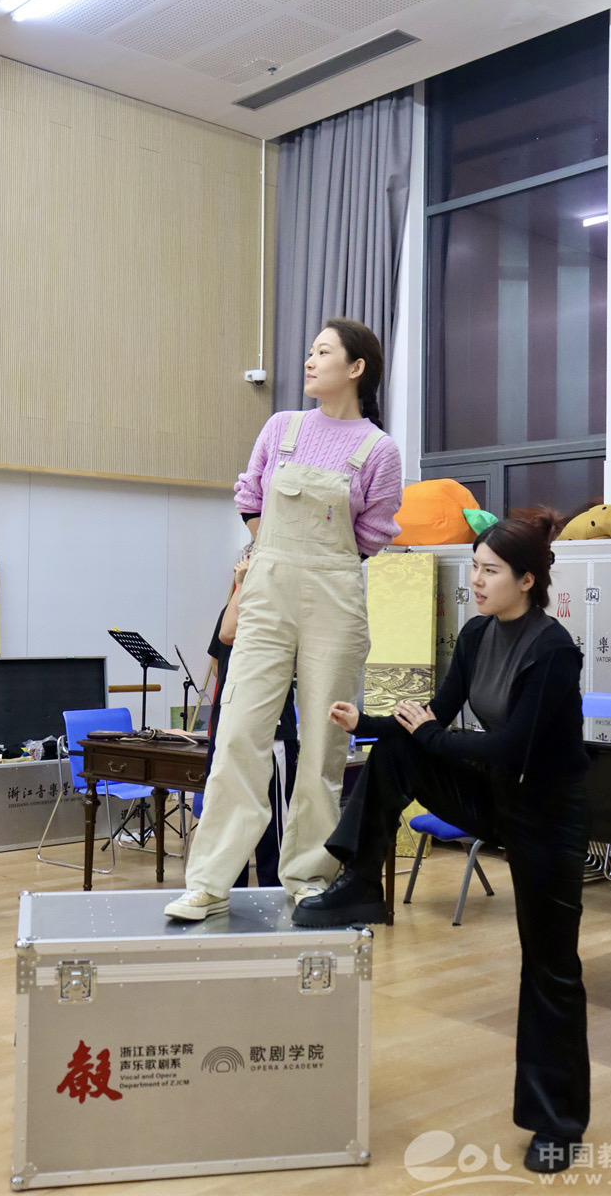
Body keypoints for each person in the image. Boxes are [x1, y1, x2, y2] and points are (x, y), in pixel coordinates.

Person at [293, 514, 591, 1175]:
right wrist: (369, 722)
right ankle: (361, 883)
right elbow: (437, 714)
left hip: (547, 819)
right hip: (495, 796)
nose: (476, 581)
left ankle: (558, 1124)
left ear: (527, 580)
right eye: (474, 568)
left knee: (550, 968)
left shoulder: (552, 650)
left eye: (489, 571)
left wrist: (423, 734)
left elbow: (510, 747)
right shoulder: (479, 633)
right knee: (398, 749)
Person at [164, 317, 402, 920]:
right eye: (311, 351)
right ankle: (209, 882)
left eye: (323, 352)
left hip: (335, 602)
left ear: (356, 368)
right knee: (238, 733)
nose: (309, 360)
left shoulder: (380, 450)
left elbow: (371, 536)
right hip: (267, 595)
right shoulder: (281, 428)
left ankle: (308, 876)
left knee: (323, 745)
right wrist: (273, 552)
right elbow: (250, 497)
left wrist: (316, 560)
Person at [205, 552, 297, 888]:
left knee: (272, 826)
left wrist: (243, 584)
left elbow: (229, 634)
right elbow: (219, 658)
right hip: (229, 727)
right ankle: (229, 895)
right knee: (229, 818)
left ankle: (275, 895)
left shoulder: (279, 606)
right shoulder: (232, 606)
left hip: (271, 731)